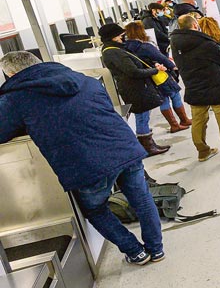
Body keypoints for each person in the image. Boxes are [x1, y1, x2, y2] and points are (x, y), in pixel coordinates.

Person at [0, 52, 165, 265]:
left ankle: (135, 252)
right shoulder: (83, 79)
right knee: (141, 198)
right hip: (124, 147)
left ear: (11, 74)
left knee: (95, 209)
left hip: (85, 163)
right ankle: (156, 249)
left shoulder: (14, 98)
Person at [170, 15, 220, 162]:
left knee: (198, 121)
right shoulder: (204, 42)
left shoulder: (175, 43)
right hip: (213, 84)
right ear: (195, 25)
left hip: (192, 86)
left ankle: (202, 151)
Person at [98, 22, 170, 157]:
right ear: (114, 37)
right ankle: (147, 146)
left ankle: (149, 143)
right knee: (142, 116)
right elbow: (133, 71)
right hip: (134, 88)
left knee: (144, 115)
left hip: (135, 87)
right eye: (121, 35)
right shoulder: (114, 52)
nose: (123, 37)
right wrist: (154, 70)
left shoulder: (116, 49)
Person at [124, 21, 192, 134]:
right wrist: (174, 67)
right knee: (175, 95)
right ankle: (183, 120)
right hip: (159, 74)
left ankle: (174, 124)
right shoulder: (145, 46)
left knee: (163, 100)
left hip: (148, 77)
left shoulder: (126, 48)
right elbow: (161, 58)